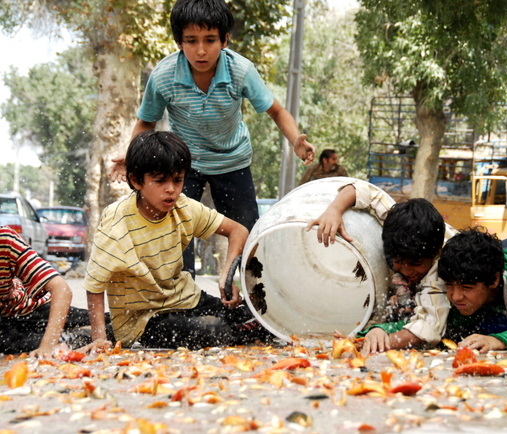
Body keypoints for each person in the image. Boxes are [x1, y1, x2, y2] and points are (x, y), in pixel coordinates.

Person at [108, 0, 316, 278]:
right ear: (178, 42)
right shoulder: (164, 76)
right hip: (185, 165)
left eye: (210, 40)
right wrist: (133, 159)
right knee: (175, 228)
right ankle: (181, 299)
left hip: (233, 160)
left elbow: (277, 111)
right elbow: (146, 121)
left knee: (247, 232)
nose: (201, 50)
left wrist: (295, 141)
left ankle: (247, 298)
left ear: (225, 40)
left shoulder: (240, 71)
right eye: (191, 41)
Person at [83, 131, 266, 351]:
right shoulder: (116, 222)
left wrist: (227, 274)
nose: (171, 189)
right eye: (160, 181)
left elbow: (238, 230)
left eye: (178, 180)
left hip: (186, 299)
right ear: (136, 180)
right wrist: (99, 339)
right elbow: (94, 285)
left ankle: (246, 327)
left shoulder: (185, 207)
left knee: (261, 314)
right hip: (143, 319)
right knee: (213, 332)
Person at [308, 180, 454, 356]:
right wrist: (334, 210)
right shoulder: (397, 222)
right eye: (398, 261)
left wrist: (375, 343)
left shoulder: (440, 270)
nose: (407, 271)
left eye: (415, 264)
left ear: (436, 253)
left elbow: (429, 328)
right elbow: (362, 190)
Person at [0, 226, 91, 357]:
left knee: (110, 325)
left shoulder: (4, 239)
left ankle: (81, 335)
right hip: (6, 331)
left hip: (30, 308)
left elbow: (61, 289)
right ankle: (76, 338)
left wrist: (48, 344)